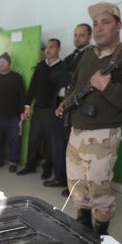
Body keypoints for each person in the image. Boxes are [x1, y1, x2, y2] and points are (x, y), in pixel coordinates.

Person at [56, 2, 122, 235]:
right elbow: (75, 86)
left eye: (105, 22)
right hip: (76, 131)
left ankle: (101, 233)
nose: (98, 29)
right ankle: (83, 222)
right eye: (95, 24)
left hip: (103, 134)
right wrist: (65, 103)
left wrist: (108, 87)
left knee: (99, 189)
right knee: (76, 184)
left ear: (119, 26)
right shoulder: (88, 55)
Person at [43, 24, 92, 198]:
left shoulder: (91, 56)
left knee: (74, 150)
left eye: (81, 35)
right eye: (75, 35)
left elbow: (82, 80)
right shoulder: (71, 57)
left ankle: (75, 186)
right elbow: (53, 76)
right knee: (58, 145)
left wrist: (66, 75)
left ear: (89, 37)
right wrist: (68, 75)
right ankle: (60, 178)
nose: (77, 38)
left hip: (75, 109)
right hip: (59, 106)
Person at [17, 39, 63, 179]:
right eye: (47, 48)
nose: (48, 50)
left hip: (53, 111)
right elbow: (32, 87)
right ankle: (30, 165)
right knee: (34, 139)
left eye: (52, 47)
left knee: (50, 141)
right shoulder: (40, 66)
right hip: (38, 110)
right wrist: (27, 106)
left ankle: (48, 167)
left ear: (58, 49)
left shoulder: (63, 66)